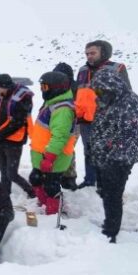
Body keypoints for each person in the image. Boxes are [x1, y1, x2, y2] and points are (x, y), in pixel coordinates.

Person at [89, 69, 138, 243]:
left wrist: (112, 159)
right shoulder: (105, 100)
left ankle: (111, 231)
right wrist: (94, 149)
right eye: (96, 91)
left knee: (113, 194)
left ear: (112, 86)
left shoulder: (131, 102)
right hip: (102, 155)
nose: (98, 94)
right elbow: (99, 126)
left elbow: (128, 136)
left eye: (101, 90)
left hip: (119, 159)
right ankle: (109, 222)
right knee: (105, 191)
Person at [75, 40, 131, 188]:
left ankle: (105, 184)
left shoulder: (116, 69)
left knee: (106, 152)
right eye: (87, 53)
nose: (89, 56)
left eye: (93, 53)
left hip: (106, 121)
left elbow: (126, 95)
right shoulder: (82, 70)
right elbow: (78, 94)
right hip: (85, 120)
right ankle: (90, 181)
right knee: (89, 151)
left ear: (104, 52)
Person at [28, 71, 77, 219]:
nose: (42, 90)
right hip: (42, 154)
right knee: (35, 178)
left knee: (51, 185)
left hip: (55, 156)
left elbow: (60, 137)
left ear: (56, 88)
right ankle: (44, 203)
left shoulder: (62, 109)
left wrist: (49, 157)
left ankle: (53, 211)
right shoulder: (52, 103)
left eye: (45, 87)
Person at [0, 74, 36, 199]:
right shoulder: (0, 95)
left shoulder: (22, 97)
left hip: (14, 141)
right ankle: (5, 193)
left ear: (5, 86)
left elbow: (18, 122)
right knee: (3, 170)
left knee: (12, 173)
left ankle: (31, 191)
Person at [53, 62, 79, 191]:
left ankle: (69, 178)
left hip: (73, 123)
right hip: (57, 122)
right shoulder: (56, 87)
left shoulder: (74, 88)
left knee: (66, 148)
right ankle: (62, 176)